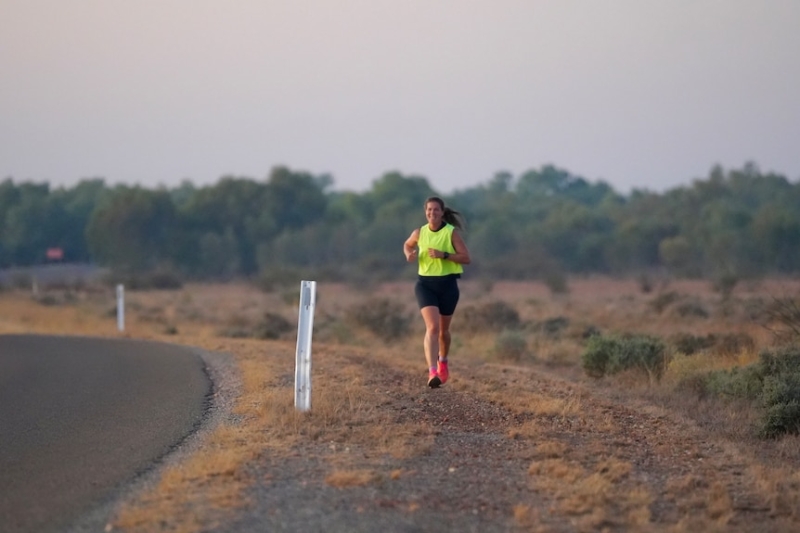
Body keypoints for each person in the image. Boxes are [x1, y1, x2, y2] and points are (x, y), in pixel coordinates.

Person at [403, 196, 471, 388]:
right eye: (429, 210)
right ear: (425, 212)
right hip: (425, 285)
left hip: (448, 285)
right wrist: (409, 253)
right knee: (432, 328)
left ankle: (443, 362)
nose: (432, 213)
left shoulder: (451, 233)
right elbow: (407, 244)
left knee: (443, 332)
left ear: (442, 212)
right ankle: (432, 372)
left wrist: (445, 255)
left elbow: (466, 258)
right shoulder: (419, 233)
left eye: (436, 210)